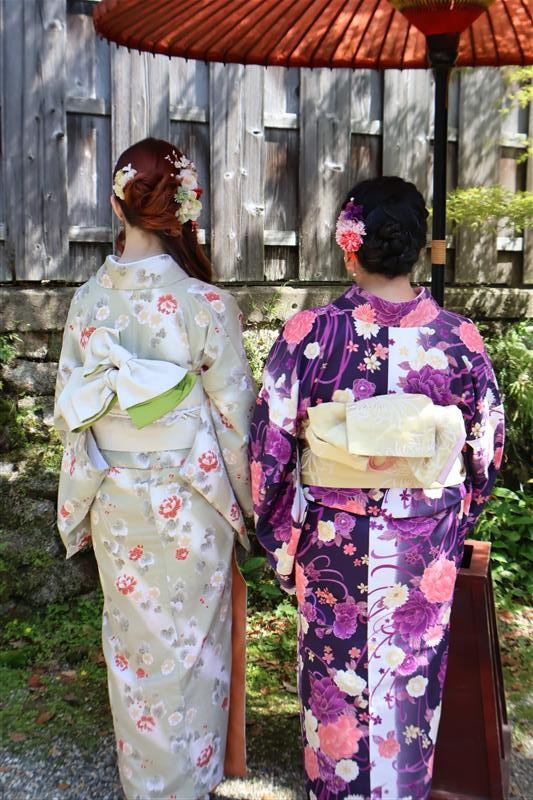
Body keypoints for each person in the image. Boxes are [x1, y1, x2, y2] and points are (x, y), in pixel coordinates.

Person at [249, 176, 504, 800]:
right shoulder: (459, 339)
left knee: (335, 681)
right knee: (408, 678)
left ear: (350, 246)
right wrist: (456, 521)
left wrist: (281, 539)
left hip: (333, 540)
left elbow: (269, 447)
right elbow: (485, 452)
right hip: (424, 542)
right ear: (417, 248)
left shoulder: (309, 333)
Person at [54, 137, 255, 800]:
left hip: (113, 491)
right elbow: (234, 420)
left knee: (133, 640)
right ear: (186, 209)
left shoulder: (87, 303)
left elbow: (72, 410)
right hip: (190, 494)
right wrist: (252, 505)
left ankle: (146, 783)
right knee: (190, 641)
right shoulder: (205, 304)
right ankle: (189, 781)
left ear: (116, 204)